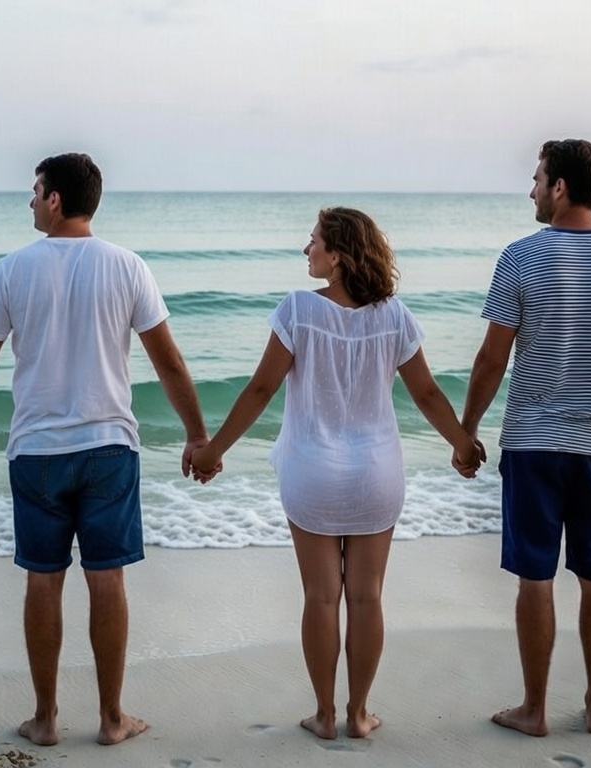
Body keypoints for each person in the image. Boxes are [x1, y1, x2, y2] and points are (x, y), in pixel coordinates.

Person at [0, 153, 210, 747]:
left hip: (36, 450)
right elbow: (168, 361)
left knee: (43, 579)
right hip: (109, 445)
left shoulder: (13, 269)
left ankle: (46, 719)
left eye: (35, 191)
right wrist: (197, 435)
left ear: (56, 199)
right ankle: (112, 720)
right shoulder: (128, 266)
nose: (31, 201)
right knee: (106, 578)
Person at [189, 207, 481, 740]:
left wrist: (214, 450)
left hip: (312, 470)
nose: (307, 249)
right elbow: (428, 394)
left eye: (314, 240)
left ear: (339, 255)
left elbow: (260, 390)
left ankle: (324, 715)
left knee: (322, 597)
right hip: (376, 472)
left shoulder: (298, 310)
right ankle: (359, 714)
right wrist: (463, 443)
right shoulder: (394, 315)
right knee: (367, 597)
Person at [456, 139, 591, 737]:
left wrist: (467, 429)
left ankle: (535, 708)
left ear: (561, 187)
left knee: (536, 577)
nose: (531, 189)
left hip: (533, 444)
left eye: (537, 177)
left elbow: (492, 360)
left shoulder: (520, 257)